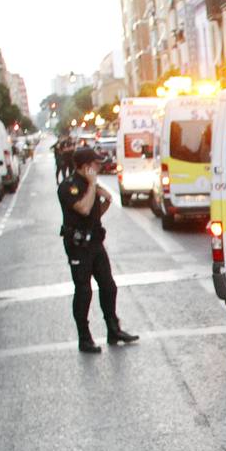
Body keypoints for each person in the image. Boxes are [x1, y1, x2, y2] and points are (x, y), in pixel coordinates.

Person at [59, 147, 139, 354]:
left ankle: (114, 330)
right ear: (86, 166)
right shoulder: (70, 186)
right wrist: (93, 185)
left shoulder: (89, 184)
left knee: (108, 285)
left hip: (95, 241)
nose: (99, 167)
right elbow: (84, 209)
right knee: (84, 291)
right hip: (78, 246)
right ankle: (84, 338)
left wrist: (105, 199)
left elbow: (96, 212)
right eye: (96, 164)